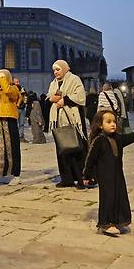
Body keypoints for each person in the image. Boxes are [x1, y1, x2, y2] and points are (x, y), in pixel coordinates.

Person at [83, 111, 134, 236]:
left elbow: (130, 137)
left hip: (117, 174)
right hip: (105, 177)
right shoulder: (99, 140)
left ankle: (120, 220)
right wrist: (87, 175)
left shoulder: (117, 137)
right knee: (108, 198)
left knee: (120, 196)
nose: (113, 124)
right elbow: (90, 159)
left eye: (114, 122)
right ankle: (107, 223)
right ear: (100, 125)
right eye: (108, 122)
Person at [48, 60, 87, 189]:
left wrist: (65, 100)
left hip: (73, 120)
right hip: (59, 121)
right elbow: (50, 97)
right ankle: (67, 178)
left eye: (58, 69)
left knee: (76, 148)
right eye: (54, 70)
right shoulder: (54, 83)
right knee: (63, 149)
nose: (55, 72)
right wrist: (52, 99)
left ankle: (82, 178)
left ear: (64, 69)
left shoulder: (74, 80)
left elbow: (80, 97)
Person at [13, 77, 28, 142]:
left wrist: (24, 103)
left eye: (18, 81)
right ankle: (15, 136)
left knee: (21, 123)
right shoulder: (12, 89)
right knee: (15, 123)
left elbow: (26, 97)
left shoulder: (22, 89)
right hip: (15, 108)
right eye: (16, 82)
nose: (18, 83)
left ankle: (21, 136)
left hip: (22, 108)